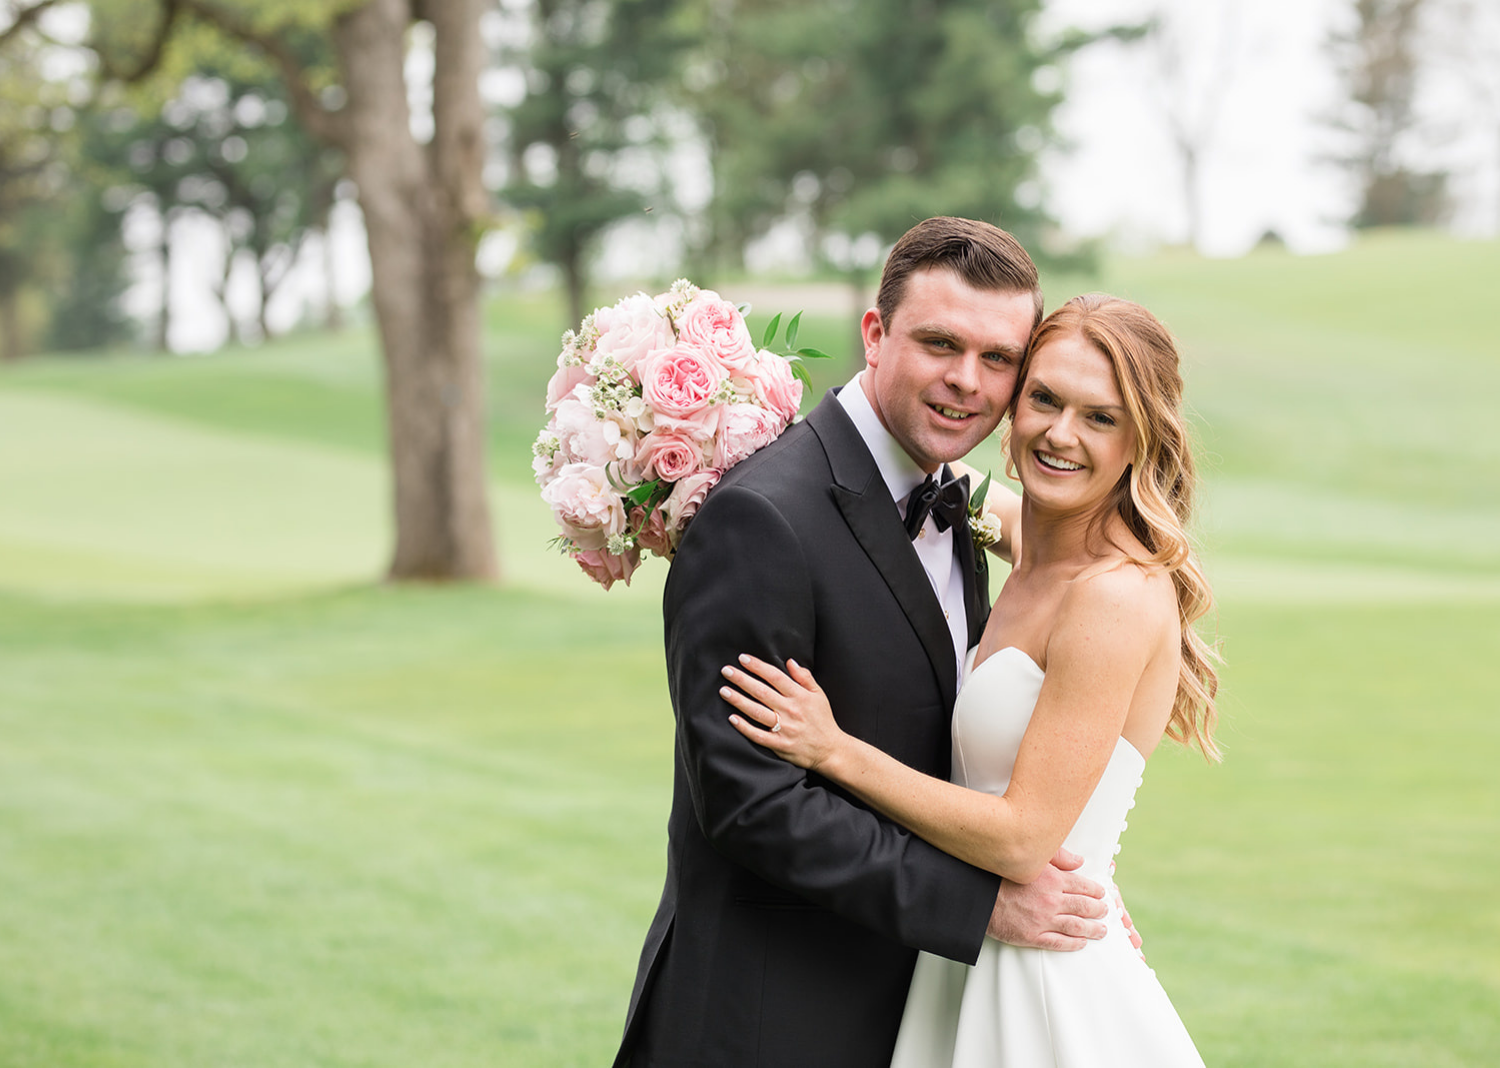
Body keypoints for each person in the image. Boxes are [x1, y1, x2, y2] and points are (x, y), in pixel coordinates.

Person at [612, 219, 1118, 1068]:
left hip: (910, 1011)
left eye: (999, 360)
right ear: (875, 334)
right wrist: (982, 906)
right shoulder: (763, 517)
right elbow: (753, 806)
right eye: (940, 344)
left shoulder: (950, 495)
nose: (967, 382)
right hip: (767, 1019)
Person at [722, 292, 1219, 1066]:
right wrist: (692, 455)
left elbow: (1024, 838)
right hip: (965, 954)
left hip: (1044, 974)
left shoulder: (1113, 596)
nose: (1060, 434)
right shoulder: (1024, 538)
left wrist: (834, 751)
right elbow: (864, 482)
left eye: (1100, 417)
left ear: (1141, 440)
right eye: (1044, 399)